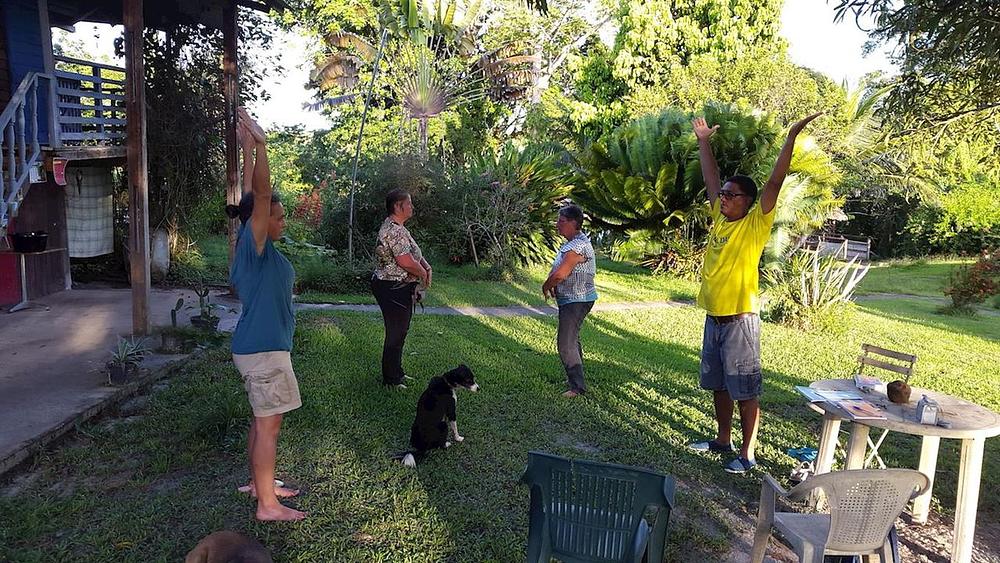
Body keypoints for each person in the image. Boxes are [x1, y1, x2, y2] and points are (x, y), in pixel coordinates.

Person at [688, 112, 821, 474]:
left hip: (740, 321)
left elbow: (775, 182)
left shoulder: (755, 224)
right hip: (714, 317)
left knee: (744, 389)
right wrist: (704, 141)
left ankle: (747, 453)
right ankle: (722, 439)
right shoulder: (720, 216)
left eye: (731, 195)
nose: (723, 198)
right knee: (718, 384)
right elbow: (711, 177)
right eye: (723, 195)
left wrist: (791, 136)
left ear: (748, 201)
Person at [226, 108, 306, 521]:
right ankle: (267, 504)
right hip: (263, 351)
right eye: (277, 216)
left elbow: (251, 195)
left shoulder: (259, 251)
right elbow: (259, 193)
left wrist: (247, 148)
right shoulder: (253, 248)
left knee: (261, 422)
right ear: (259, 221)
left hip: (260, 347)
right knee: (269, 425)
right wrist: (262, 146)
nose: (281, 220)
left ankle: (259, 482)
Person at [371, 189, 432, 388]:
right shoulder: (393, 230)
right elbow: (405, 261)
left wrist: (425, 265)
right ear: (398, 206)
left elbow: (412, 252)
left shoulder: (399, 228)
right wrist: (422, 273)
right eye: (409, 203)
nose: (412, 207)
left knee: (400, 332)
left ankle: (397, 373)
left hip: (398, 286)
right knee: (396, 333)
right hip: (392, 287)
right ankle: (391, 379)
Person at [542, 204, 598, 398]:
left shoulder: (577, 246)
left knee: (565, 343)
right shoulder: (575, 241)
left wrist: (546, 285)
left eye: (562, 221)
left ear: (574, 223)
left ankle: (577, 387)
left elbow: (561, 274)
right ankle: (575, 381)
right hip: (573, 299)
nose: (557, 225)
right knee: (572, 339)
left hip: (577, 300)